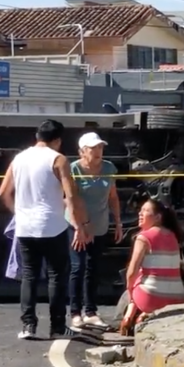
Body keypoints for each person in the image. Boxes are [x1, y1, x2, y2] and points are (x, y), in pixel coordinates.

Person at [0, 120, 90, 340]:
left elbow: (3, 193)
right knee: (56, 276)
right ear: (57, 140)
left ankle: (28, 325)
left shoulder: (19, 158)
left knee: (29, 275)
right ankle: (57, 327)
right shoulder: (58, 159)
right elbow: (71, 196)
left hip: (25, 226)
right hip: (52, 225)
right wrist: (79, 226)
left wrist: (18, 213)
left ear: (37, 136)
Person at [67, 132, 122, 331]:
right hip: (77, 226)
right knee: (77, 267)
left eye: (100, 147)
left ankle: (90, 312)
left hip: (99, 225)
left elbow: (113, 197)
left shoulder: (108, 168)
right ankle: (75, 313)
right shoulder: (73, 169)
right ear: (82, 151)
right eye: (93, 148)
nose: (97, 151)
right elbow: (70, 200)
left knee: (93, 268)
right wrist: (80, 227)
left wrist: (118, 222)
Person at [120, 199, 184, 336]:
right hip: (178, 298)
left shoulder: (143, 237)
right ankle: (141, 315)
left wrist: (130, 288)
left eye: (145, 211)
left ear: (158, 217)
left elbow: (131, 271)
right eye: (141, 210)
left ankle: (129, 317)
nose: (140, 213)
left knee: (136, 276)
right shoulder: (172, 235)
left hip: (150, 298)